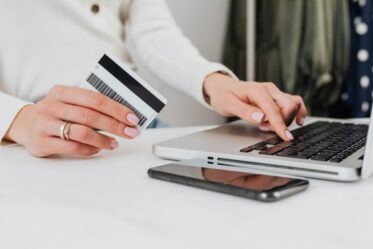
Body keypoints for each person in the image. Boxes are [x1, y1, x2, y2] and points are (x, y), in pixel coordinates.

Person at [0, 0, 306, 157]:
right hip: (32, 134)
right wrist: (17, 120)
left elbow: (154, 30)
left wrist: (219, 83)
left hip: (133, 125)